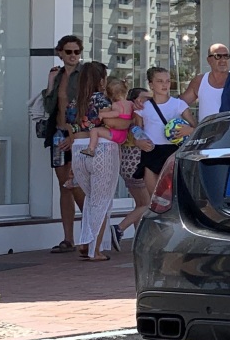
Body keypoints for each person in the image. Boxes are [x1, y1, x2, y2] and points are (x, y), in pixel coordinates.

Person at [39, 35, 86, 253]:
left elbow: (87, 108)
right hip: (58, 133)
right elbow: (49, 107)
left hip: (77, 134)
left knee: (76, 184)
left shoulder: (84, 75)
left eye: (77, 52)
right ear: (60, 53)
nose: (73, 56)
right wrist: (50, 83)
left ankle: (91, 232)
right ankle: (68, 238)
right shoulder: (57, 76)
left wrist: (75, 135)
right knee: (64, 186)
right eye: (69, 52)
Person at [70, 61, 121, 262]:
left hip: (78, 149)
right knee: (102, 201)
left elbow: (71, 128)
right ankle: (95, 249)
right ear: (101, 80)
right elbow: (113, 123)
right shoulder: (102, 100)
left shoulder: (74, 102)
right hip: (103, 148)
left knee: (91, 200)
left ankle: (86, 242)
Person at [136, 66, 194, 198]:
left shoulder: (179, 104)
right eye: (160, 81)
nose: (165, 85)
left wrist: (189, 130)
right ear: (151, 84)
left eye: (167, 81)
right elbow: (136, 130)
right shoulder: (142, 107)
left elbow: (196, 127)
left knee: (171, 198)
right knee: (154, 199)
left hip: (172, 152)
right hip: (151, 152)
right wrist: (138, 142)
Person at [111, 86, 152, 251]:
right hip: (136, 164)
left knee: (140, 204)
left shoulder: (126, 116)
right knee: (148, 204)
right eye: (144, 98)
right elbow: (142, 138)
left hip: (127, 165)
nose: (148, 102)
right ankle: (119, 228)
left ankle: (138, 242)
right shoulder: (137, 118)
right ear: (135, 100)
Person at [179, 43, 230, 120]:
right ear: (209, 60)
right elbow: (179, 105)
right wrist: (194, 126)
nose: (223, 60)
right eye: (218, 56)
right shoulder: (200, 81)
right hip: (207, 131)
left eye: (226, 56)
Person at [81, 78, 134, 156]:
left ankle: (91, 149)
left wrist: (102, 115)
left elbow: (116, 113)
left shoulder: (116, 104)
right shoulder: (131, 103)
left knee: (94, 131)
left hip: (115, 133)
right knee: (117, 148)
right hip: (124, 134)